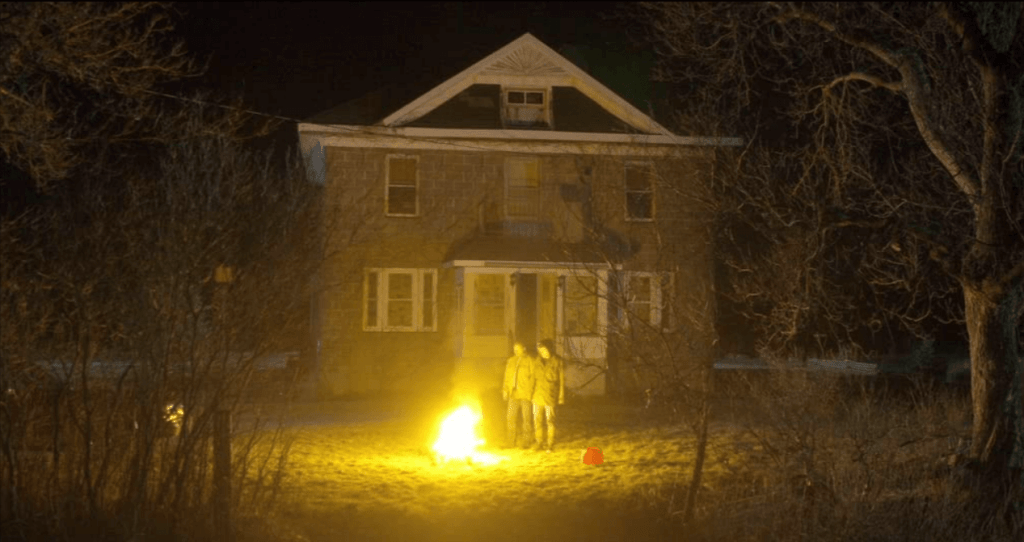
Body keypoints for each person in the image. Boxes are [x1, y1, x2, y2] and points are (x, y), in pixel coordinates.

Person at [532, 338, 565, 452]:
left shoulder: (557, 361)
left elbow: (561, 380)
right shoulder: (537, 361)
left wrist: (561, 396)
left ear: (550, 349)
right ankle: (539, 442)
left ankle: (550, 444)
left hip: (550, 396)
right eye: (540, 350)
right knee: (537, 421)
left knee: (550, 421)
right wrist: (530, 394)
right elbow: (533, 379)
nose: (542, 352)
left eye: (544, 349)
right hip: (537, 396)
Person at [502, 340, 536, 448]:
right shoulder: (511, 361)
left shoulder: (530, 361)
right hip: (513, 394)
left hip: (525, 394)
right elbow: (507, 377)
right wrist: (505, 389)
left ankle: (526, 442)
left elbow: (533, 378)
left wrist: (530, 392)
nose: (515, 351)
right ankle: (511, 442)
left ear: (524, 349)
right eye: (514, 349)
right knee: (510, 418)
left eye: (518, 348)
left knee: (526, 419)